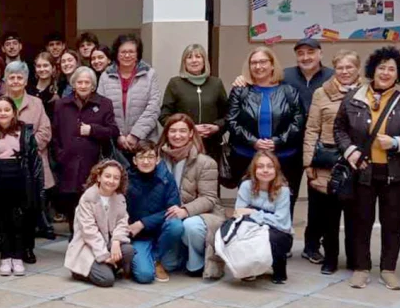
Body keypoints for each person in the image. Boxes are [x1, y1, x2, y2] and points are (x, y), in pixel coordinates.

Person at [334, 46, 400, 290]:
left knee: (392, 223)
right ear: (372, 70)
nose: (385, 73)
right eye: (381, 68)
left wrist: (396, 142)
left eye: (391, 69)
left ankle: (388, 269)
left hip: (395, 173)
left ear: (398, 74)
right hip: (363, 170)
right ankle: (361, 268)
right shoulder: (354, 97)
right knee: (360, 222)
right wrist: (351, 151)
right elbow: (339, 129)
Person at [0, 61, 54, 257]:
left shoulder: (36, 103)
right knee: (5, 211)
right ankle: (8, 248)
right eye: (11, 77)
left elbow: (45, 132)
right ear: (5, 80)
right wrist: (5, 147)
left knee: (28, 209)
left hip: (29, 165)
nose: (15, 81)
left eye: (19, 78)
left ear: (25, 81)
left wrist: (25, 148)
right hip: (3, 168)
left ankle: (27, 248)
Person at [302, 50, 361, 274]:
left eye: (349, 67)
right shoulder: (321, 93)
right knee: (329, 214)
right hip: (328, 160)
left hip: (357, 161)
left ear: (357, 69)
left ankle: (355, 258)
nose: (345, 72)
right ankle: (331, 258)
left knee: (355, 214)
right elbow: (312, 129)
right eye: (340, 68)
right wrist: (308, 163)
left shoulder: (368, 92)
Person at [226, 46, 305, 208]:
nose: (258, 66)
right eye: (253, 63)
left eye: (263, 62)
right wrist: (253, 141)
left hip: (284, 158)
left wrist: (277, 141)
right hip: (247, 157)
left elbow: (298, 122)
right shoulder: (240, 91)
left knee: (283, 206)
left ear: (272, 65)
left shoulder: (289, 91)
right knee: (249, 207)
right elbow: (231, 121)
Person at [0, 96, 45, 276]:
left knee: (19, 220)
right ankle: (5, 256)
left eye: (7, 110)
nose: (3, 113)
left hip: (20, 181)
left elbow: (34, 161)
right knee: (1, 221)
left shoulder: (25, 132)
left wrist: (37, 188)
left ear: (14, 112)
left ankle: (18, 257)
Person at [157, 114, 224, 279]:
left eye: (182, 131)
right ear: (166, 133)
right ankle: (180, 253)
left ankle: (196, 263)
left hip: (199, 215)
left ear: (191, 133)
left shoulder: (206, 162)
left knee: (190, 226)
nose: (177, 135)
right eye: (173, 131)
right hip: (168, 216)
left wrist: (185, 211)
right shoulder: (157, 159)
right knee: (170, 265)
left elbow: (209, 198)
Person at [51, 67, 119, 219]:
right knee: (72, 208)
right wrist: (60, 155)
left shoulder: (104, 104)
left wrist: (92, 130)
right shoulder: (61, 105)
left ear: (93, 86)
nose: (83, 86)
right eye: (79, 82)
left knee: (93, 208)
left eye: (87, 82)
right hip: (68, 164)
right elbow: (54, 134)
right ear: (73, 84)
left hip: (93, 164)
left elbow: (113, 131)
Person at [66, 159, 134, 287]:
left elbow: (122, 221)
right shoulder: (88, 199)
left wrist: (116, 240)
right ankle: (81, 271)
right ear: (98, 177)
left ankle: (107, 266)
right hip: (89, 246)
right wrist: (103, 255)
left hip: (108, 242)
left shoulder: (119, 198)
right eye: (107, 176)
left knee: (128, 250)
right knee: (107, 280)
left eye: (116, 178)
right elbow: (89, 231)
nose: (111, 181)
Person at [159, 43, 228, 166]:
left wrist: (217, 127)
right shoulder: (175, 83)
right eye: (189, 57)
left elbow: (228, 115)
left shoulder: (216, 83)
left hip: (211, 146)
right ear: (184, 62)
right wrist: (188, 128)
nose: (194, 60)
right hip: (182, 147)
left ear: (204, 61)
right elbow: (164, 116)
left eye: (198, 56)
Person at [231, 152, 294, 284]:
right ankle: (248, 268)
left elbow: (281, 222)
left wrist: (253, 212)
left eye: (270, 166)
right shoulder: (246, 186)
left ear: (276, 169)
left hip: (278, 233)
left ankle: (279, 269)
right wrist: (264, 217)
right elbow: (238, 213)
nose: (265, 170)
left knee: (273, 237)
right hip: (251, 228)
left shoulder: (284, 190)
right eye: (260, 166)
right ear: (254, 170)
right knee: (238, 232)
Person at [124, 140, 180, 284]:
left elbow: (172, 209)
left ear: (157, 159)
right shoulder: (126, 180)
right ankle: (139, 261)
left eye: (150, 157)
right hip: (139, 236)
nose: (146, 161)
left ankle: (156, 259)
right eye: (141, 157)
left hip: (161, 231)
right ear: (134, 160)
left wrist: (143, 223)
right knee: (144, 276)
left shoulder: (166, 178)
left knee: (176, 225)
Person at [98, 34, 162, 154]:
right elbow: (102, 110)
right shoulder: (105, 77)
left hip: (145, 142)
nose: (127, 55)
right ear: (116, 54)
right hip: (114, 144)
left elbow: (153, 108)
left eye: (131, 52)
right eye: (123, 52)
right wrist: (118, 135)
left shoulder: (150, 75)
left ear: (138, 54)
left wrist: (135, 135)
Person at [283, 39, 334, 114]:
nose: (305, 58)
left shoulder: (332, 76)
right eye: (300, 53)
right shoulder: (285, 75)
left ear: (321, 54)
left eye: (310, 53)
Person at [29, 52, 61, 118]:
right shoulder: (28, 88)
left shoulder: (59, 90)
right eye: (38, 66)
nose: (42, 69)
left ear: (53, 68)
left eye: (45, 66)